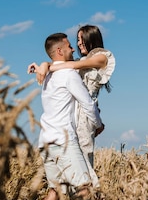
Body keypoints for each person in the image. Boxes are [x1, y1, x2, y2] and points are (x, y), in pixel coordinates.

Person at [34, 32, 105, 200]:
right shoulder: (69, 76)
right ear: (59, 51)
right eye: (68, 47)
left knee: (55, 189)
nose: (73, 49)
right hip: (64, 141)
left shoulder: (47, 76)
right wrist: (98, 124)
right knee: (84, 188)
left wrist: (45, 65)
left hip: (45, 141)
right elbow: (87, 104)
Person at [28, 25, 115, 188]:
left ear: (92, 39)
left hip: (86, 116)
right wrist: (45, 64)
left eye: (82, 40)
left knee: (85, 164)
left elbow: (69, 65)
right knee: (76, 174)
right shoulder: (77, 62)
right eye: (77, 40)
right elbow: (63, 61)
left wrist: (46, 66)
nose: (78, 44)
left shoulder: (103, 57)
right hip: (75, 115)